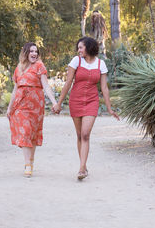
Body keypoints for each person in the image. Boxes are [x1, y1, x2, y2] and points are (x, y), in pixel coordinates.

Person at [53, 37, 119, 180]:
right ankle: (84, 165)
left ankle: (82, 169)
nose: (79, 50)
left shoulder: (101, 64)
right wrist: (58, 103)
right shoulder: (76, 61)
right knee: (79, 135)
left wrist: (109, 108)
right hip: (75, 101)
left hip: (91, 101)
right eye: (78, 48)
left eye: (81, 47)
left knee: (85, 134)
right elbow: (68, 83)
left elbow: (104, 88)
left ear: (88, 48)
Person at [7, 42, 57, 177]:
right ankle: (27, 164)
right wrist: (9, 107)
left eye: (36, 51)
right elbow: (15, 88)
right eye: (31, 51)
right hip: (20, 105)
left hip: (36, 105)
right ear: (26, 53)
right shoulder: (19, 68)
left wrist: (54, 103)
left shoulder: (40, 66)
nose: (34, 54)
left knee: (32, 134)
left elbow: (46, 86)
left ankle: (31, 160)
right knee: (25, 131)